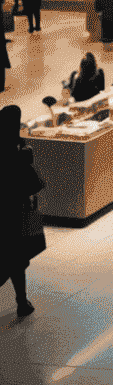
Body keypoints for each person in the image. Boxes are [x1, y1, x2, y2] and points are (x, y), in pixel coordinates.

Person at [1, 104, 44, 316]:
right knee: (16, 260)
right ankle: (21, 302)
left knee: (10, 257)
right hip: (15, 213)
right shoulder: (16, 150)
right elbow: (33, 183)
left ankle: (22, 302)